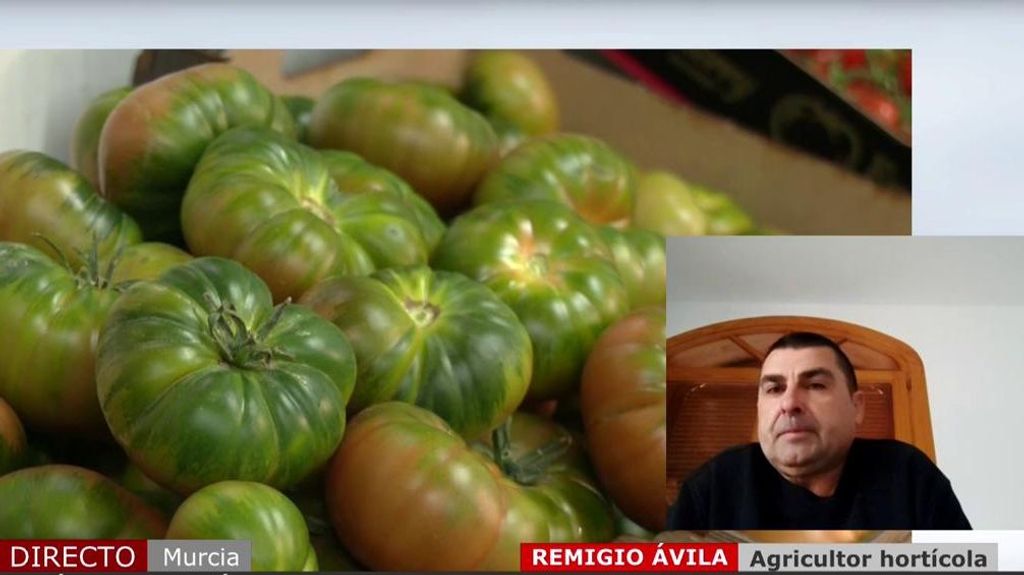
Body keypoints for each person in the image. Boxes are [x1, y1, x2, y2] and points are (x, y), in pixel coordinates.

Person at [667, 331, 971, 530]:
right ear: (759, 408)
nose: (789, 403)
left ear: (857, 408)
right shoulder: (712, 486)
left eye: (814, 385)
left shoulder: (909, 475)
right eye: (774, 388)